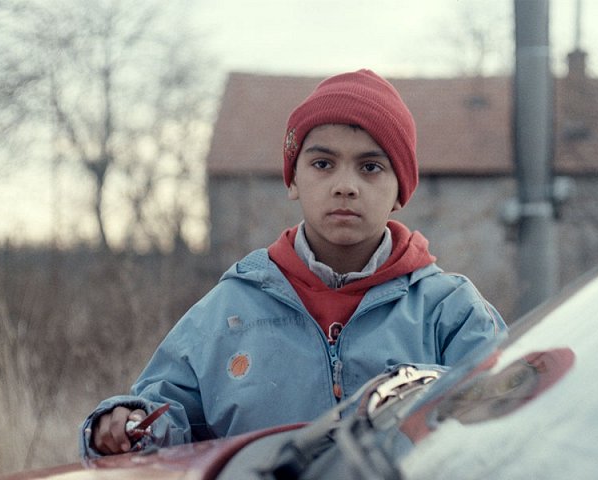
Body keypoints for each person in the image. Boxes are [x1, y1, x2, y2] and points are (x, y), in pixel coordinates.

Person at [79, 69, 507, 458]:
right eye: (323, 164)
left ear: (400, 190)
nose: (345, 186)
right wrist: (124, 425)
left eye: (370, 167)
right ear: (293, 179)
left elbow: (509, 425)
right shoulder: (228, 312)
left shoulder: (450, 312)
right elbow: (162, 418)